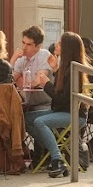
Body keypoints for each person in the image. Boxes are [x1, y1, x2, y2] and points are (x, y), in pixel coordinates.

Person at [26, 33, 86, 178]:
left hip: (73, 114)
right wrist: (55, 70)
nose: (56, 46)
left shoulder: (74, 70)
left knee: (40, 122)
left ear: (66, 48)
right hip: (63, 110)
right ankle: (54, 152)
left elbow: (63, 99)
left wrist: (46, 84)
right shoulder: (64, 68)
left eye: (59, 43)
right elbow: (61, 94)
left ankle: (57, 159)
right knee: (26, 119)